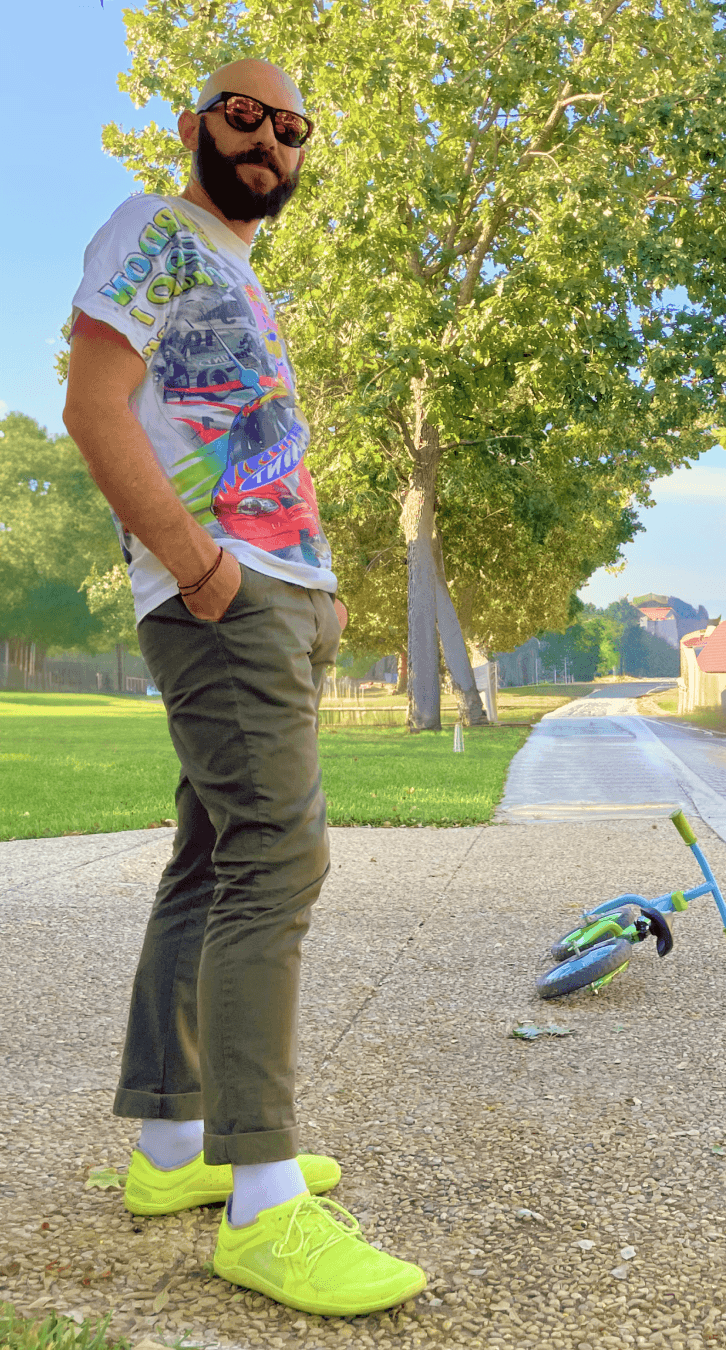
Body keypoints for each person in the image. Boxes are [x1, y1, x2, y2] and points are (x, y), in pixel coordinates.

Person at [64, 57, 426, 1318]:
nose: (266, 138)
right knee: (279, 855)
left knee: (213, 858)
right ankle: (264, 1201)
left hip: (275, 592)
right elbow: (93, 406)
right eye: (240, 113)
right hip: (229, 597)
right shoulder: (156, 231)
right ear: (192, 127)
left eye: (289, 126)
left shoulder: (233, 263)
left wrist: (310, 593)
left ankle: (175, 1149)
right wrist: (204, 570)